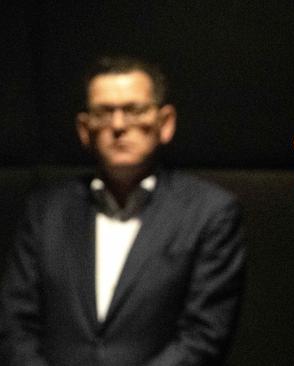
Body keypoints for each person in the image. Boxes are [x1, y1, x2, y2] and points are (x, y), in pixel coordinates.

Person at [0, 56, 245, 365]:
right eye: (103, 113)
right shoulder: (45, 210)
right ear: (84, 128)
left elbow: (204, 337)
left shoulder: (210, 212)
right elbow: (15, 326)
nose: (118, 125)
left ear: (165, 123)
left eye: (134, 110)